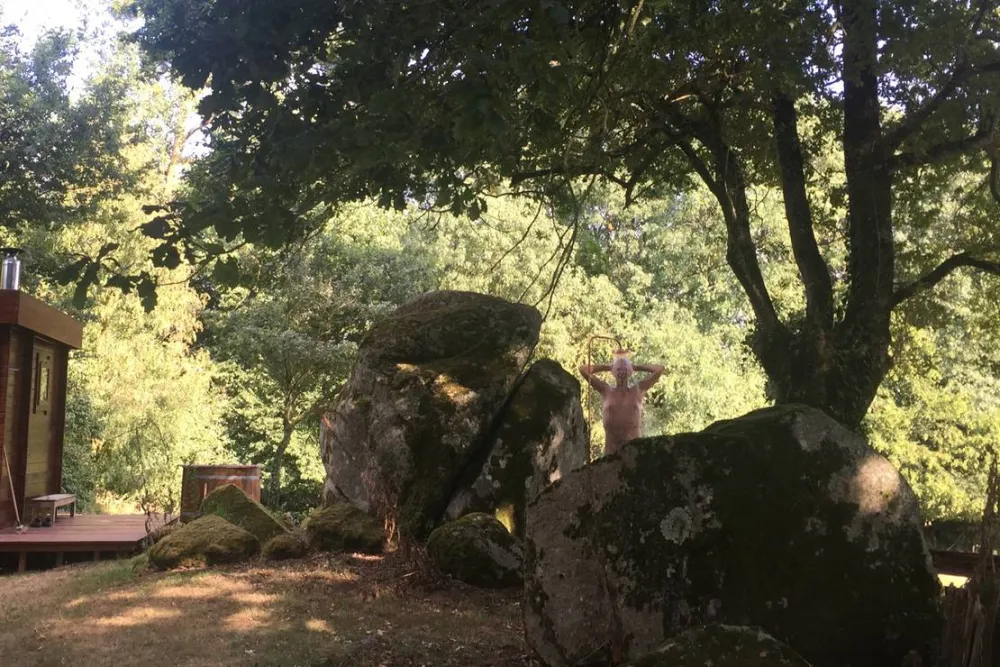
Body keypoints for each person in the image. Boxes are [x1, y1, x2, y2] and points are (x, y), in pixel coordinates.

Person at [579, 350, 664, 455]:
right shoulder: (605, 390)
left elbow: (659, 369)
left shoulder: (638, 390)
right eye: (618, 369)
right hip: (611, 452)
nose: (621, 372)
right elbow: (583, 369)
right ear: (614, 373)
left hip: (634, 453)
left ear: (629, 372)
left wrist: (635, 367)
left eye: (624, 369)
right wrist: (609, 367)